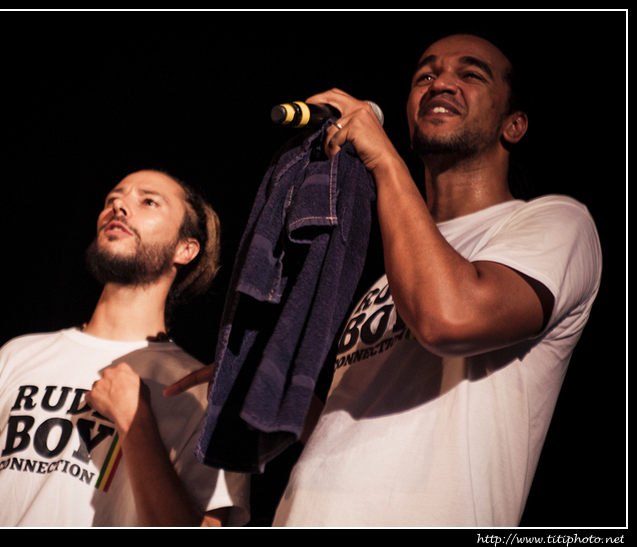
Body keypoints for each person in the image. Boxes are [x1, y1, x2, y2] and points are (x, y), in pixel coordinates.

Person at [168, 34, 602, 527]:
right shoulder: (392, 271)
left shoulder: (555, 222)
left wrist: (384, 161)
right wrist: (258, 383)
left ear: (514, 124)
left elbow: (448, 318)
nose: (441, 83)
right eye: (425, 75)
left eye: (470, 74)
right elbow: (353, 423)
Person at [0, 169, 250, 527]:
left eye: (148, 201)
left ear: (185, 249)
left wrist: (137, 424)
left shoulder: (201, 393)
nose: (119, 205)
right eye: (113, 198)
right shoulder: (17, 354)